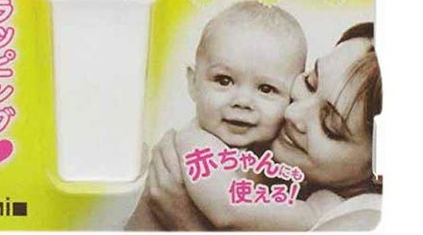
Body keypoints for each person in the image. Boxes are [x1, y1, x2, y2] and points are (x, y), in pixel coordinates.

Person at [139, 23, 381, 231]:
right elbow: (228, 209)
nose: (292, 113)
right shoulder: (201, 142)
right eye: (310, 82)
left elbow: (229, 210)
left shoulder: (366, 218)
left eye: (329, 126)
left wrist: (186, 224)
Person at [126, 1, 308, 230]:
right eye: (224, 80)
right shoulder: (196, 143)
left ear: (292, 99)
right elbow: (228, 209)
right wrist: (314, 213)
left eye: (266, 89)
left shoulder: (271, 154)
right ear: (193, 83)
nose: (242, 102)